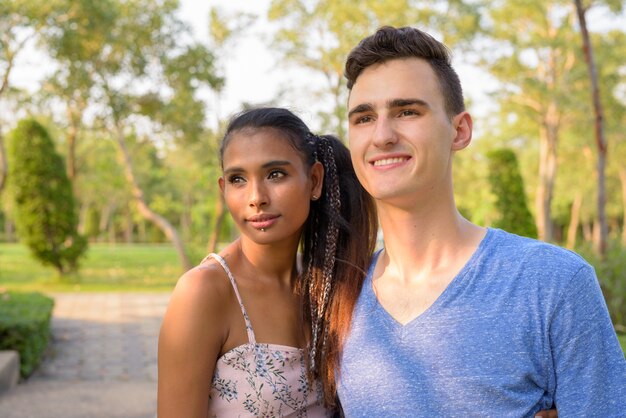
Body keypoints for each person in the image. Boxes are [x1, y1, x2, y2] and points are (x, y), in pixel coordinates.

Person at [334, 26, 626, 417]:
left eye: (407, 111)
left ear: (460, 130)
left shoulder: (552, 283)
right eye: (364, 118)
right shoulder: (337, 299)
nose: (382, 135)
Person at [157, 107, 377, 417]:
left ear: (314, 181)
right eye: (238, 179)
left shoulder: (330, 286)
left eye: (275, 174)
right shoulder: (203, 292)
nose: (256, 197)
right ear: (224, 190)